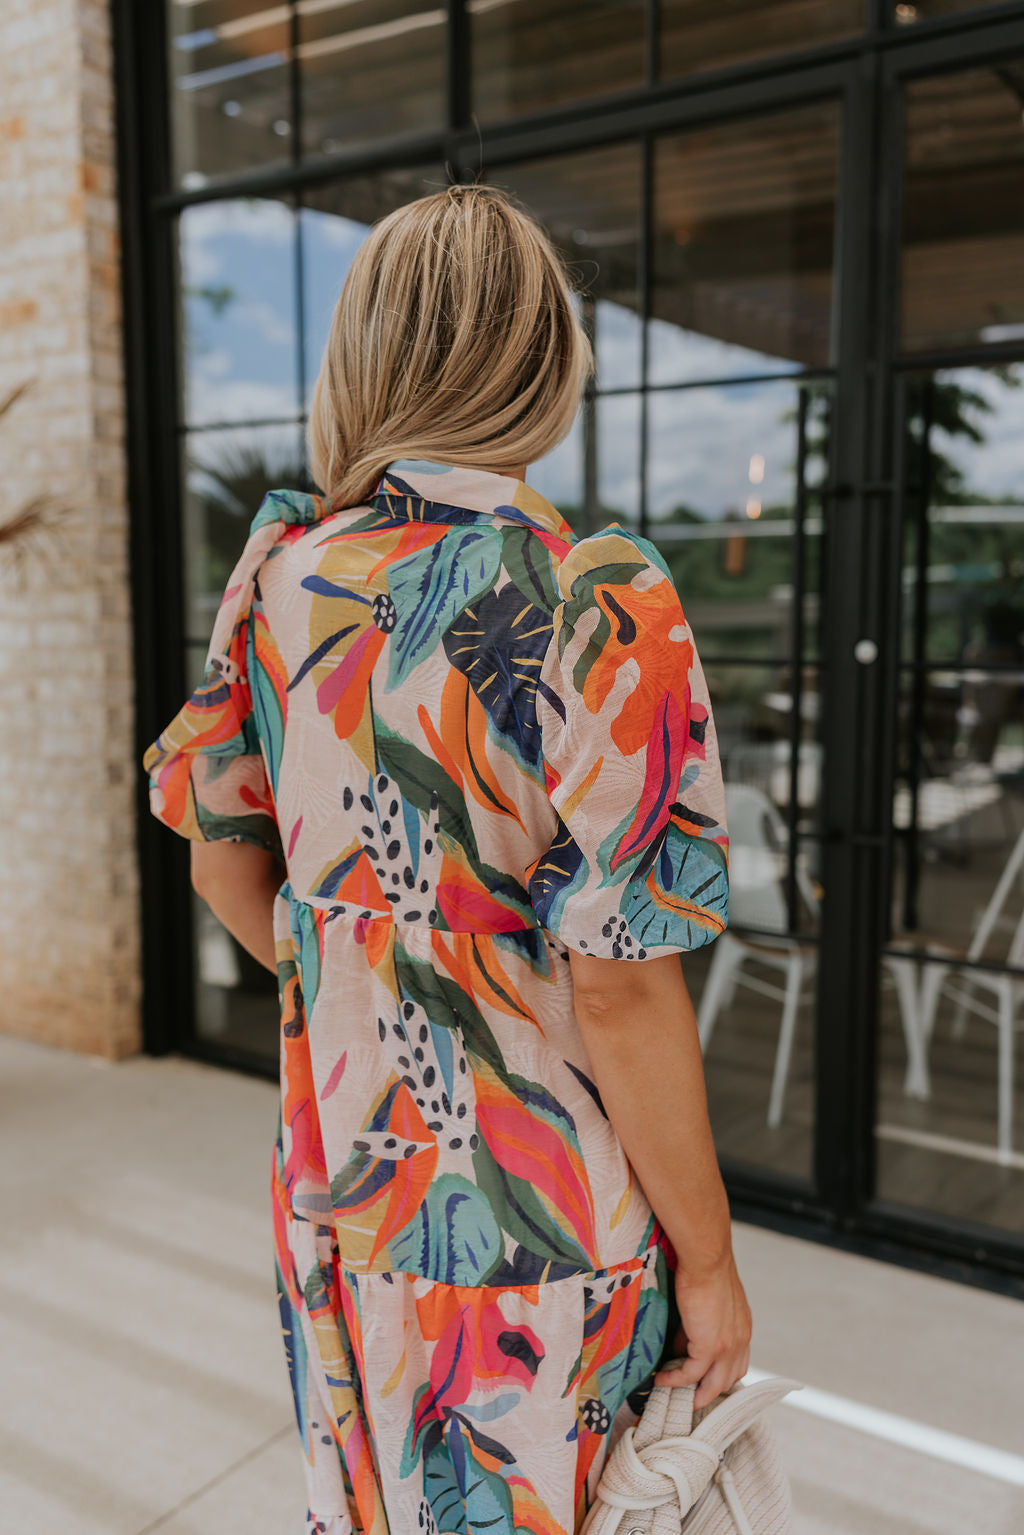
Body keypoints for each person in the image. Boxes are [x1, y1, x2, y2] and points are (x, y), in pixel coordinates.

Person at [143, 182, 750, 1535]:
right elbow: (623, 985)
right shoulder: (597, 598)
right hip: (539, 1216)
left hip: (342, 1191)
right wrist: (708, 1263)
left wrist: (385, 975)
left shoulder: (280, 577)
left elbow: (224, 868)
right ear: (547, 361)